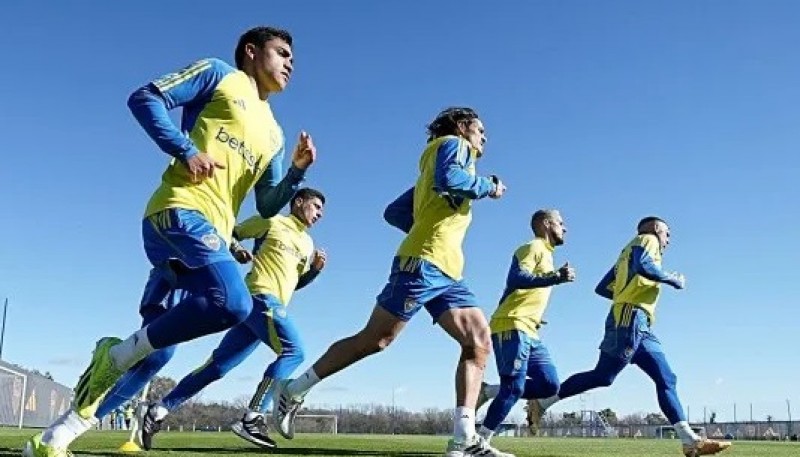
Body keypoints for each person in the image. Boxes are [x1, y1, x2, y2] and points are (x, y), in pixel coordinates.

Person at [23, 25, 316, 457]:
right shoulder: (220, 75)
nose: (290, 62)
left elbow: (270, 204)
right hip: (178, 212)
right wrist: (185, 149)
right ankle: (116, 356)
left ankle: (55, 437)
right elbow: (145, 97)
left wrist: (296, 171)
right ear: (251, 52)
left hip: (207, 237)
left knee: (159, 355)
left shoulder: (274, 133)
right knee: (234, 304)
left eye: (293, 57)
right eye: (282, 52)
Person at [272, 107, 513, 457]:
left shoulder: (434, 166)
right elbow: (452, 180)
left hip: (447, 271)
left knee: (478, 341)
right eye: (480, 130)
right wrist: (488, 186)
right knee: (376, 339)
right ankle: (292, 390)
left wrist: (425, 225)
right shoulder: (454, 146)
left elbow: (396, 212)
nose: (484, 138)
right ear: (463, 128)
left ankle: (464, 439)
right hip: (423, 264)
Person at [526, 217, 732, 457]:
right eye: (667, 233)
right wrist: (672, 279)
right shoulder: (647, 239)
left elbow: (602, 287)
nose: (668, 238)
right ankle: (540, 402)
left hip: (640, 323)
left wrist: (624, 292)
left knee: (666, 378)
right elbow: (645, 266)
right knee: (603, 376)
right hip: (629, 317)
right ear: (656, 229)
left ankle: (689, 441)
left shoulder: (626, 253)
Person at [140, 188, 327, 450]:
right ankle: (253, 418)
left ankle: (157, 411)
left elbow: (295, 283)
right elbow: (229, 232)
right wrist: (237, 249)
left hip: (268, 310)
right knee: (293, 351)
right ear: (298, 202)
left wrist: (315, 272)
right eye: (316, 206)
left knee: (218, 367)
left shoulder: (307, 245)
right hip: (259, 297)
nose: (319, 213)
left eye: (321, 210)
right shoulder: (271, 221)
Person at [475, 209, 575, 444]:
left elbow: (514, 291)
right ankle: (480, 442)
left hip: (529, 328)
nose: (565, 228)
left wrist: (534, 314)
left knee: (550, 384)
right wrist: (555, 277)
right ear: (546, 223)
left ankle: (487, 391)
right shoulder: (533, 247)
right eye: (561, 223)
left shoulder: (547, 254)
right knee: (513, 388)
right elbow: (516, 278)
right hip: (512, 325)